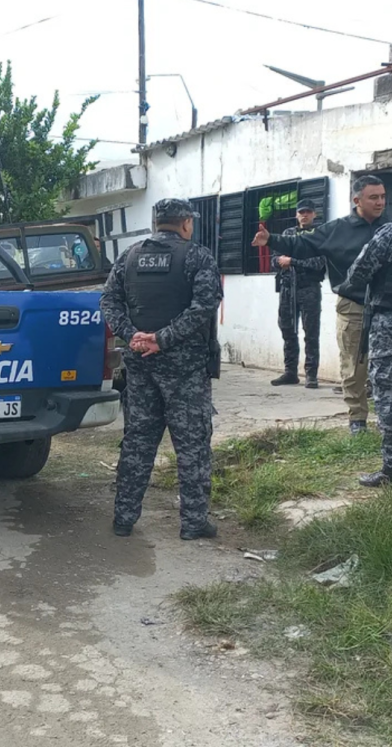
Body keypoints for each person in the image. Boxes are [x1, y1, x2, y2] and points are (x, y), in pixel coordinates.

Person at [263, 168, 392, 486]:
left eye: (383, 196)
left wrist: (352, 284)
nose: (380, 201)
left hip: (391, 317)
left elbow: (360, 271)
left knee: (388, 394)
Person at [100, 197, 223, 540]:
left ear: (156, 223)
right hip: (184, 369)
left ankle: (124, 518)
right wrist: (162, 338)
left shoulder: (130, 256)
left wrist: (133, 335)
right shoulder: (197, 256)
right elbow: (204, 307)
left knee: (138, 440)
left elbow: (108, 299)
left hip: (141, 364)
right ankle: (194, 522)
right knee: (193, 445)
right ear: (186, 223)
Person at [258, 176, 387, 434]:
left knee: (387, 365)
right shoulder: (337, 229)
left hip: (388, 305)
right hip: (353, 304)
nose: (380, 202)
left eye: (383, 196)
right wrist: (270, 239)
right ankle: (357, 421)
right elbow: (302, 245)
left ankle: (388, 419)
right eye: (373, 197)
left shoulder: (391, 228)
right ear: (357, 200)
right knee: (353, 364)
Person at [271, 199, 326, 389]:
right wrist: (280, 260)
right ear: (296, 215)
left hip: (309, 288)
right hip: (288, 288)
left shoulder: (319, 235)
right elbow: (274, 260)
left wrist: (293, 261)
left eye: (308, 212)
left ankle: (311, 374)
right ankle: (290, 372)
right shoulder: (288, 234)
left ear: (314, 214)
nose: (305, 215)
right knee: (288, 329)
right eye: (301, 212)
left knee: (311, 332)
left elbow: (319, 263)